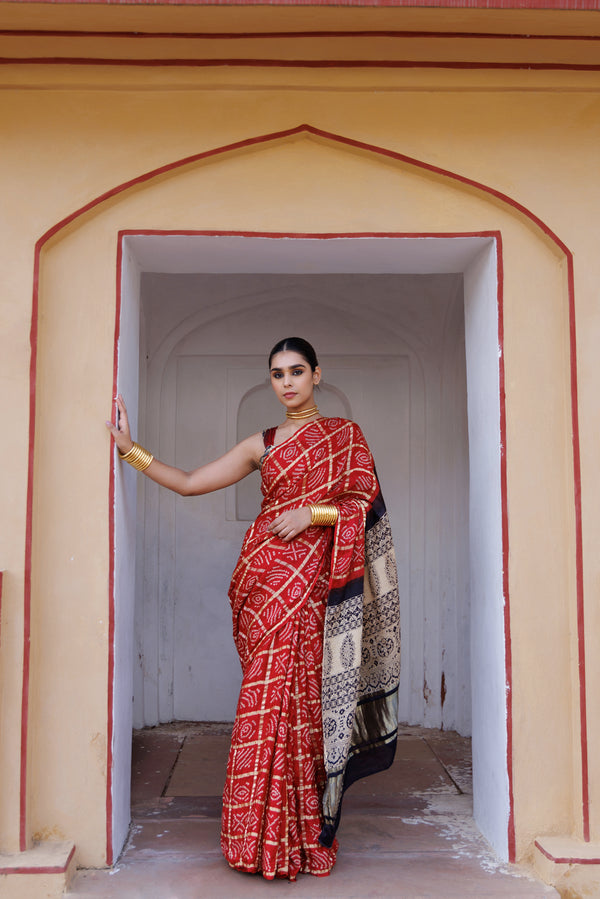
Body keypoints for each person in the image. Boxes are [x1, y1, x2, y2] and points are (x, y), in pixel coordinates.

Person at [106, 337, 401, 882]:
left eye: (295, 371)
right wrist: (131, 450)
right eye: (276, 374)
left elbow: (364, 501)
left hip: (316, 583)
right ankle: (253, 838)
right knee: (263, 697)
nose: (286, 382)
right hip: (264, 581)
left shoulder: (345, 437)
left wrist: (313, 513)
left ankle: (301, 829)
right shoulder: (260, 444)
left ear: (316, 374)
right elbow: (193, 483)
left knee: (304, 697)